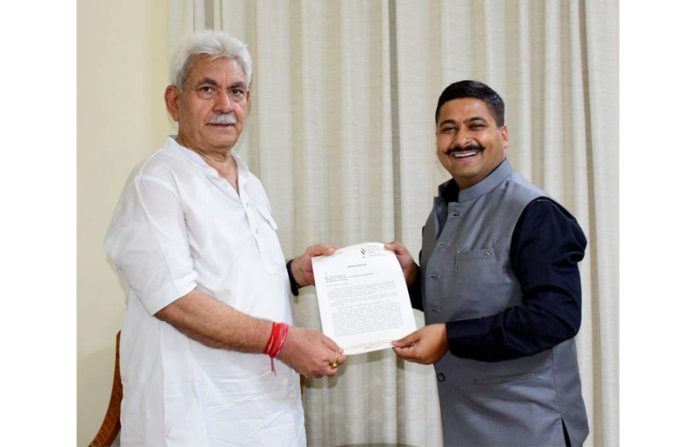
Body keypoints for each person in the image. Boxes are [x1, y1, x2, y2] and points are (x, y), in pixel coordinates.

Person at [104, 30, 346, 447]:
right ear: (174, 102)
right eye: (206, 89)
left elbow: (231, 279)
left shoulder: (249, 182)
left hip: (266, 414)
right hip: (194, 421)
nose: (224, 105)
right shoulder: (156, 182)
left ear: (247, 102)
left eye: (236, 91)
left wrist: (292, 273)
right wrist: (284, 341)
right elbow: (177, 303)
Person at [387, 80, 589, 446]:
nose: (461, 139)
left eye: (475, 125)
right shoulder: (441, 215)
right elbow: (470, 296)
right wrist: (412, 280)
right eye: (448, 129)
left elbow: (555, 316)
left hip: (529, 424)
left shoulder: (536, 212)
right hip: (465, 422)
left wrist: (450, 337)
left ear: (503, 134)